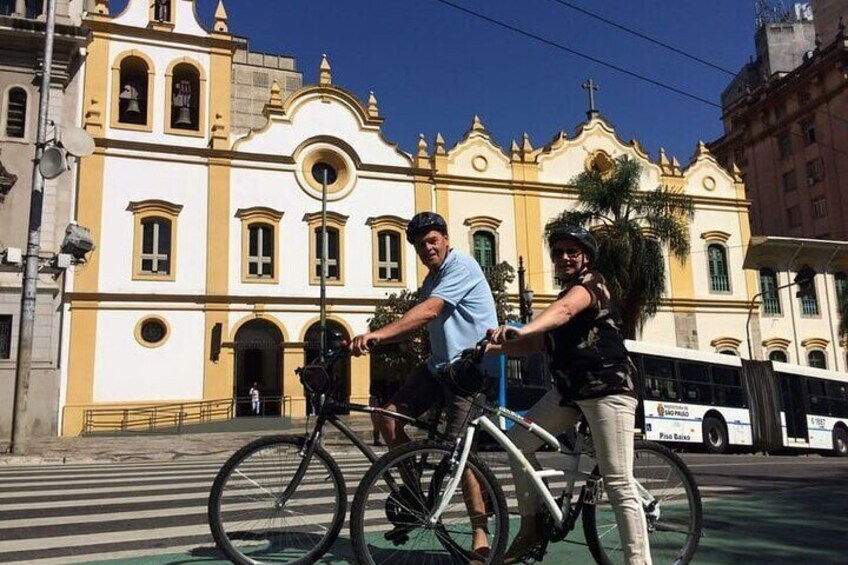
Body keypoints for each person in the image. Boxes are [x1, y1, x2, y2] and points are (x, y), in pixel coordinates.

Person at [488, 225, 651, 564]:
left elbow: (561, 314)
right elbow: (535, 343)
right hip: (569, 393)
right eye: (558, 252)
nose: (563, 257)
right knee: (517, 443)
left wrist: (522, 325)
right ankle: (532, 525)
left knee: (618, 482)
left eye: (571, 251)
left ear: (586, 257)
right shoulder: (561, 299)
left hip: (608, 389)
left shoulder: (592, 284)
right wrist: (489, 349)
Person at [350, 211, 498, 557]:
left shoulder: (462, 267)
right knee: (388, 417)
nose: (427, 248)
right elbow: (423, 320)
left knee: (461, 454)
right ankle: (416, 496)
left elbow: (429, 312)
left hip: (469, 370)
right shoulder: (431, 279)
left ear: (446, 240)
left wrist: (376, 336)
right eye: (420, 245)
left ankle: (481, 532)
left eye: (432, 241)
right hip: (439, 367)